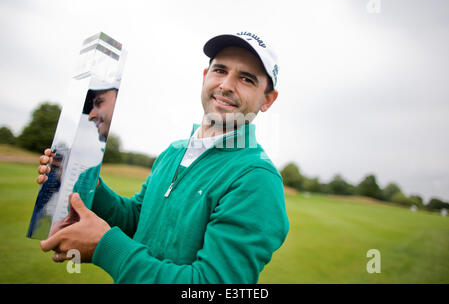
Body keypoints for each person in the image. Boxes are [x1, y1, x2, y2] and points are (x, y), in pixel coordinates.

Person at [36, 31, 289, 283]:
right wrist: (86, 181)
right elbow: (137, 219)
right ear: (205, 76)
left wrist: (105, 247)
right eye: (220, 70)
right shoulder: (174, 152)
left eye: (246, 79)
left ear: (268, 99)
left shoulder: (257, 178)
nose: (226, 86)